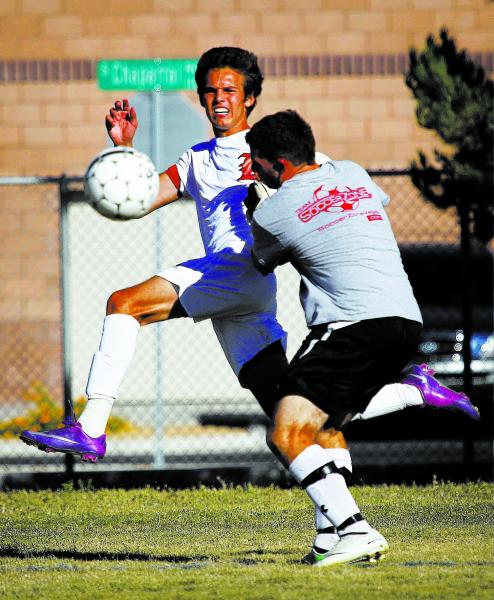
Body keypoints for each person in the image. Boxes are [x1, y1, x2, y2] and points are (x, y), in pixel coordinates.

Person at [21, 48, 477, 555]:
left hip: (239, 272)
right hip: (240, 299)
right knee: (301, 416)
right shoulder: (195, 159)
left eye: (230, 90)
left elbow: (317, 178)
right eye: (211, 91)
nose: (219, 99)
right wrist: (125, 150)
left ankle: (91, 426)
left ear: (251, 98)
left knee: (123, 302)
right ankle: (341, 523)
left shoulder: (271, 148)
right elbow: (137, 200)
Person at [245, 109, 479, 567]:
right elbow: (357, 211)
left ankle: (355, 531)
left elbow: (260, 262)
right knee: (327, 424)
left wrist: (257, 209)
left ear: (277, 165)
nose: (254, 171)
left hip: (351, 325)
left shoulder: (272, 209)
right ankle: (329, 536)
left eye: (257, 163)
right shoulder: (352, 172)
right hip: (403, 320)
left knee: (286, 430)